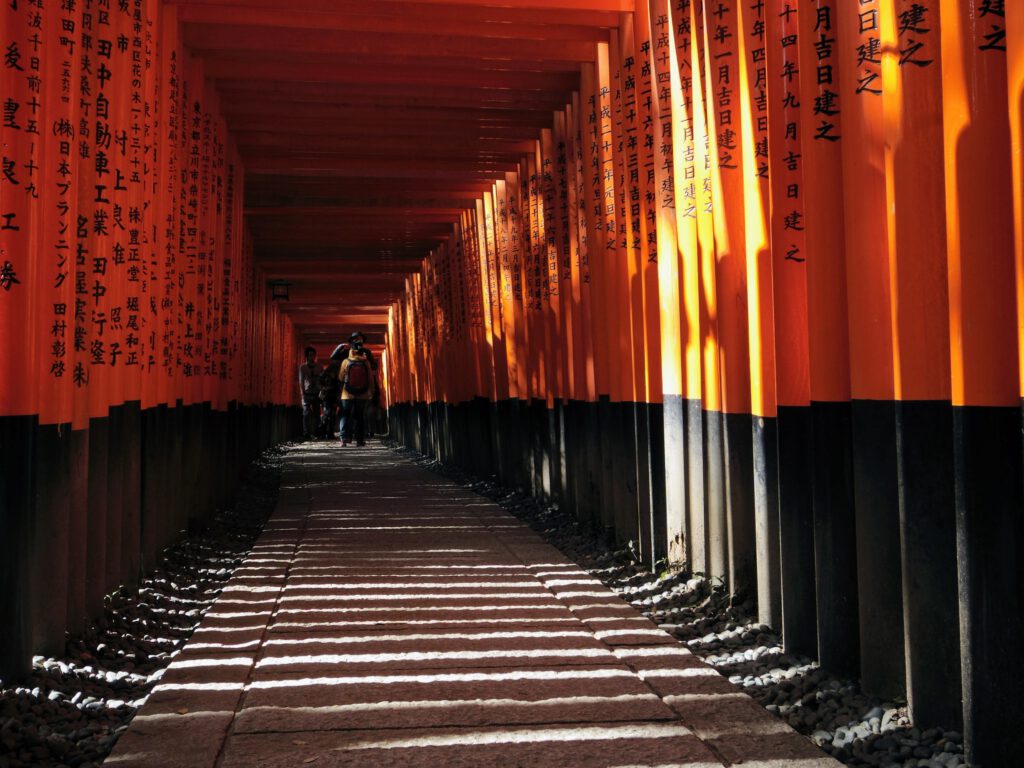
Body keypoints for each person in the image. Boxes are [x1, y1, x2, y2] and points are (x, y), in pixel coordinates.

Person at [337, 332, 376, 446]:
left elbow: (340, 377)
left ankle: (344, 439)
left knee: (345, 415)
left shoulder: (346, 361)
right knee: (359, 416)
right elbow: (370, 378)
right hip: (362, 393)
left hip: (347, 393)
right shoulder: (366, 362)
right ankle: (359, 440)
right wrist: (371, 392)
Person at [318, 345, 344, 439]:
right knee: (328, 413)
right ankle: (323, 431)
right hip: (328, 394)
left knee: (331, 414)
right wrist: (324, 388)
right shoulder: (332, 367)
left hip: (334, 394)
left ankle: (329, 432)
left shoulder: (340, 366)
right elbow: (320, 379)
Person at [298, 346, 322, 440]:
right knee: (306, 413)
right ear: (306, 356)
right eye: (310, 355)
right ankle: (306, 433)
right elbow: (301, 380)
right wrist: (302, 393)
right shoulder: (303, 367)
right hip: (307, 393)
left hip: (317, 392)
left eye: (313, 355)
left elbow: (323, 379)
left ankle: (316, 432)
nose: (312, 357)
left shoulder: (319, 367)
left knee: (317, 413)